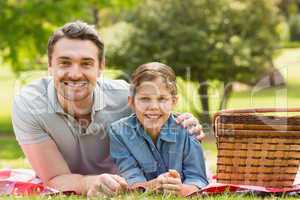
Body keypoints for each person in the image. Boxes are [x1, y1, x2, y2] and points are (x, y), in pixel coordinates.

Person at [11, 20, 205, 196]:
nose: (75, 74)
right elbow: (54, 178)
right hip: (84, 180)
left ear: (101, 67)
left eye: (86, 63)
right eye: (65, 62)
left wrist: (185, 122)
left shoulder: (125, 97)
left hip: (125, 181)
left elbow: (159, 108)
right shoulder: (30, 105)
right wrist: (89, 183)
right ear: (50, 66)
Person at [109, 62, 208, 196]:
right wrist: (155, 185)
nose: (154, 106)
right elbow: (132, 181)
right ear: (131, 102)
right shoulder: (118, 132)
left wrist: (180, 189)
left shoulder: (187, 128)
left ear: (173, 101)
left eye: (162, 99)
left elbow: (198, 179)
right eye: (145, 99)